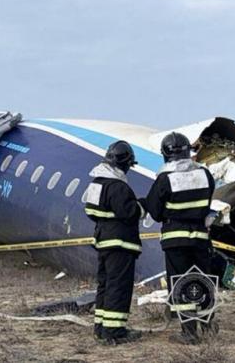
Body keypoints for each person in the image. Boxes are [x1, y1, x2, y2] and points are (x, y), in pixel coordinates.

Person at [141, 132, 217, 345]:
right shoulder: (205, 174)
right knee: (203, 280)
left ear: (165, 154)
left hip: (176, 240)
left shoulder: (165, 179)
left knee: (182, 284)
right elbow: (207, 202)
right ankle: (208, 324)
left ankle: (190, 333)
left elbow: (154, 211)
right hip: (200, 238)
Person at [82, 141, 143, 345]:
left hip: (103, 241)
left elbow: (90, 211)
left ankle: (101, 327)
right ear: (125, 163)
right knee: (119, 286)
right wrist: (141, 206)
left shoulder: (96, 184)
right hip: (120, 244)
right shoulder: (118, 186)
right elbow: (129, 213)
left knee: (105, 285)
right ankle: (115, 331)